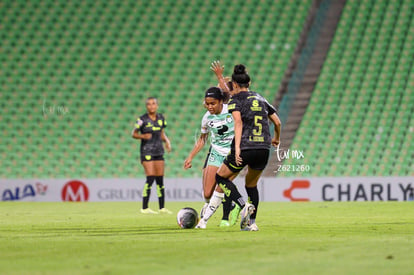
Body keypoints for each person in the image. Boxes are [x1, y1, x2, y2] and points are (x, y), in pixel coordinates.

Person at [197, 64, 281, 231]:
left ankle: (243, 206)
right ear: (249, 83)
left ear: (234, 84)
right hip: (264, 148)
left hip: (246, 147)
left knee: (221, 178)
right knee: (251, 185)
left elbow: (238, 123)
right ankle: (252, 223)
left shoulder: (236, 101)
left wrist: (236, 149)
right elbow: (277, 122)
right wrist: (276, 139)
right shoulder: (261, 98)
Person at [184, 86, 235, 227]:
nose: (209, 106)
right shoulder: (206, 117)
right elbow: (202, 139)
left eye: (213, 103)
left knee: (221, 186)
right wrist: (190, 157)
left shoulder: (231, 110)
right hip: (216, 153)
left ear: (220, 102)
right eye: (207, 103)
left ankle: (210, 217)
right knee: (207, 194)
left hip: (231, 154)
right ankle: (218, 204)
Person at [132, 97, 172, 214]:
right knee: (150, 178)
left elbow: (162, 134)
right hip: (146, 151)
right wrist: (142, 136)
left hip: (159, 151)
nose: (151, 106)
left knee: (160, 179)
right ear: (146, 106)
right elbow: (133, 133)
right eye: (149, 104)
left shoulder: (161, 118)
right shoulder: (142, 119)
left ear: (157, 106)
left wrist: (167, 142)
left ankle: (162, 207)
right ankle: (144, 207)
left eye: (153, 104)